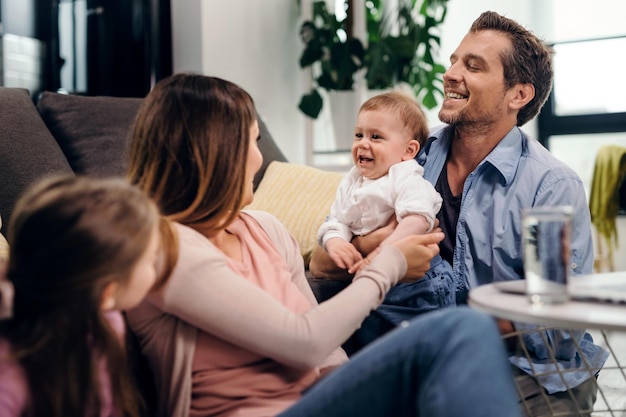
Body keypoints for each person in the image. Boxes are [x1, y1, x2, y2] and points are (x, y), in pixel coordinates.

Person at [124, 72, 521, 417]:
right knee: (461, 328)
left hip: (315, 401)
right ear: (214, 154)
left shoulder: (265, 230)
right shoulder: (163, 248)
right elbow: (305, 342)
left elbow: (329, 356)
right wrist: (392, 262)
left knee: (457, 345)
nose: (259, 160)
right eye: (251, 142)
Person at [310, 10, 609, 417]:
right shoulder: (407, 151)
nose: (450, 73)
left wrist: (443, 335)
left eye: (473, 66)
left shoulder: (550, 186)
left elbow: (551, 317)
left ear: (517, 95)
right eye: (453, 60)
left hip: (525, 367)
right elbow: (322, 265)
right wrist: (377, 245)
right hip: (406, 342)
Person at [0, 175, 173, 417]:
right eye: (151, 259)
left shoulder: (107, 321)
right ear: (107, 293)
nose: (157, 267)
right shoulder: (9, 380)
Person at [317, 91, 442, 273]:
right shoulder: (352, 180)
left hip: (418, 280)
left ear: (409, 150)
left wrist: (383, 251)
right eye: (359, 135)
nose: (363, 143)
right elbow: (337, 221)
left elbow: (418, 219)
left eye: (375, 137)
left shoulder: (406, 177)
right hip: (370, 271)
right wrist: (335, 241)